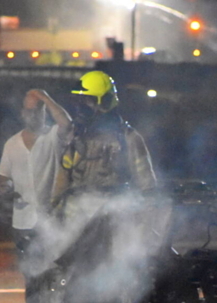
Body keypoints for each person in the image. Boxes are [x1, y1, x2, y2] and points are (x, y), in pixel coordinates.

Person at [0, 88, 72, 303]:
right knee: (31, 277)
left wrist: (46, 98)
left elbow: (66, 123)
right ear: (22, 114)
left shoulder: (53, 137)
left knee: (56, 275)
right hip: (23, 223)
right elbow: (2, 178)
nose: (33, 115)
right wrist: (5, 190)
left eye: (38, 110)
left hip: (51, 220)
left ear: (44, 113)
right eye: (29, 111)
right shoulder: (12, 144)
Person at [51, 70, 156, 230]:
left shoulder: (129, 139)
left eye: (87, 101)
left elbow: (146, 185)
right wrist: (52, 216)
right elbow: (62, 179)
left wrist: (147, 223)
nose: (81, 107)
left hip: (114, 219)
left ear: (105, 102)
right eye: (80, 100)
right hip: (75, 222)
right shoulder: (75, 137)